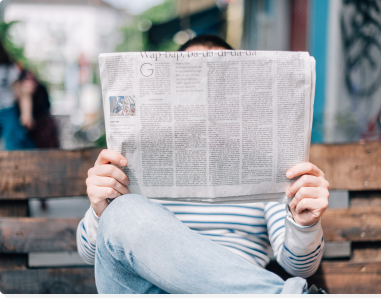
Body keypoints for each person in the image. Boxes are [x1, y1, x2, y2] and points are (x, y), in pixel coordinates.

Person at [77, 35, 329, 294]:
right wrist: (100, 211)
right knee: (123, 212)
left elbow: (299, 266)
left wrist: (305, 224)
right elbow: (91, 254)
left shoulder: (267, 163)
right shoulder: (134, 160)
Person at [0, 40, 35, 150]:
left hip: (7, 111)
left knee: (12, 142)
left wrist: (26, 114)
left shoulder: (8, 69)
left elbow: (22, 94)